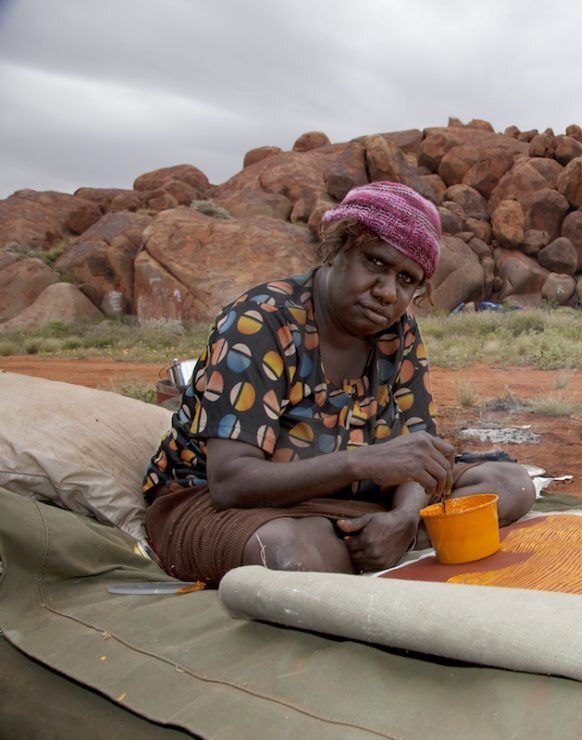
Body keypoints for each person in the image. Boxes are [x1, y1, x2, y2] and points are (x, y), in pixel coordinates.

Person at [142, 182, 534, 584]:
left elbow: (421, 456)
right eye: (376, 263)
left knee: (509, 484)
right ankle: (368, 545)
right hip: (221, 505)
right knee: (290, 553)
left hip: (348, 501)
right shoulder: (261, 322)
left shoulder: (397, 332)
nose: (387, 292)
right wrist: (363, 462)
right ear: (337, 249)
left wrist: (403, 516)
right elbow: (230, 483)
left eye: (406, 279)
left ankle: (385, 541)